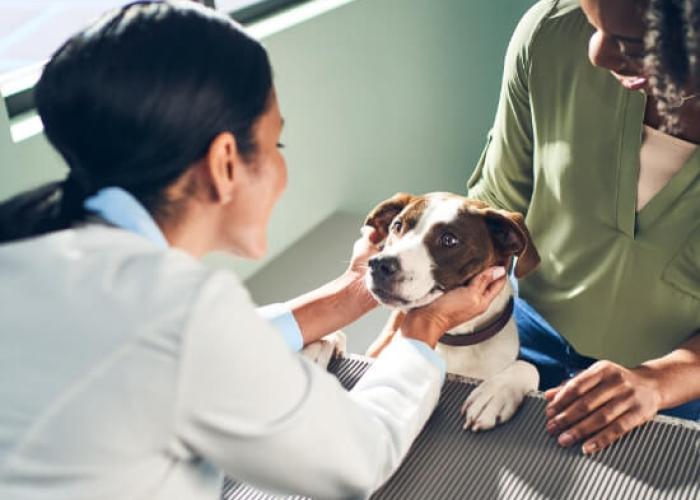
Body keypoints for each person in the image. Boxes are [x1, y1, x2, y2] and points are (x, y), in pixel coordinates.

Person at [0, 2, 507, 499]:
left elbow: (189, 351)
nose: (282, 172)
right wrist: (424, 326)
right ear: (224, 162)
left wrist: (345, 297)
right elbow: (360, 457)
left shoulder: (32, 243)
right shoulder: (180, 316)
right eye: (275, 147)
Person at [467, 0, 700, 455]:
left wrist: (657, 382)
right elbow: (494, 206)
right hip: (521, 338)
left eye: (632, 42)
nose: (596, 53)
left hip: (679, 387)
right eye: (593, 21)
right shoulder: (552, 32)